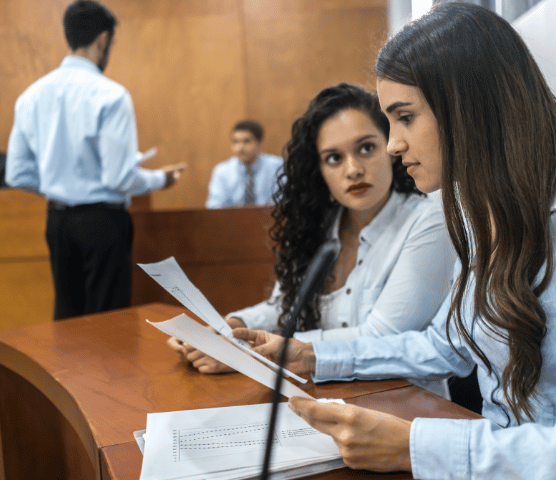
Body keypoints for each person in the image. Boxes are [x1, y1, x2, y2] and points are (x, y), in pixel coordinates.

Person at [234, 3, 556, 479]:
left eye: (405, 118)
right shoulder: (477, 205)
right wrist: (314, 355)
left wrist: (418, 447)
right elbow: (445, 345)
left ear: (471, 106)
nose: (392, 145)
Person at [170, 84, 456, 390]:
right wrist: (234, 329)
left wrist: (251, 353)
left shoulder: (430, 218)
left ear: (390, 146)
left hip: (405, 407)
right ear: (317, 169)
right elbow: (284, 307)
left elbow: (382, 336)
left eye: (366, 148)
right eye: (333, 158)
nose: (353, 170)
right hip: (325, 399)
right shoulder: (318, 222)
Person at [6, 0, 187, 320]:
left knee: (68, 319)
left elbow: (17, 173)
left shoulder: (30, 95)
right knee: (108, 324)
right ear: (103, 40)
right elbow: (119, 178)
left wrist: (58, 185)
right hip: (103, 223)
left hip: (57, 221)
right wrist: (161, 179)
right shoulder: (111, 95)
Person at [206, 120, 283, 208]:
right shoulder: (222, 171)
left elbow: (285, 202)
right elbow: (214, 207)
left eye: (246, 141)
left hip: (270, 219)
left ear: (260, 144)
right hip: (233, 220)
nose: (240, 148)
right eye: (236, 142)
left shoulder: (278, 166)